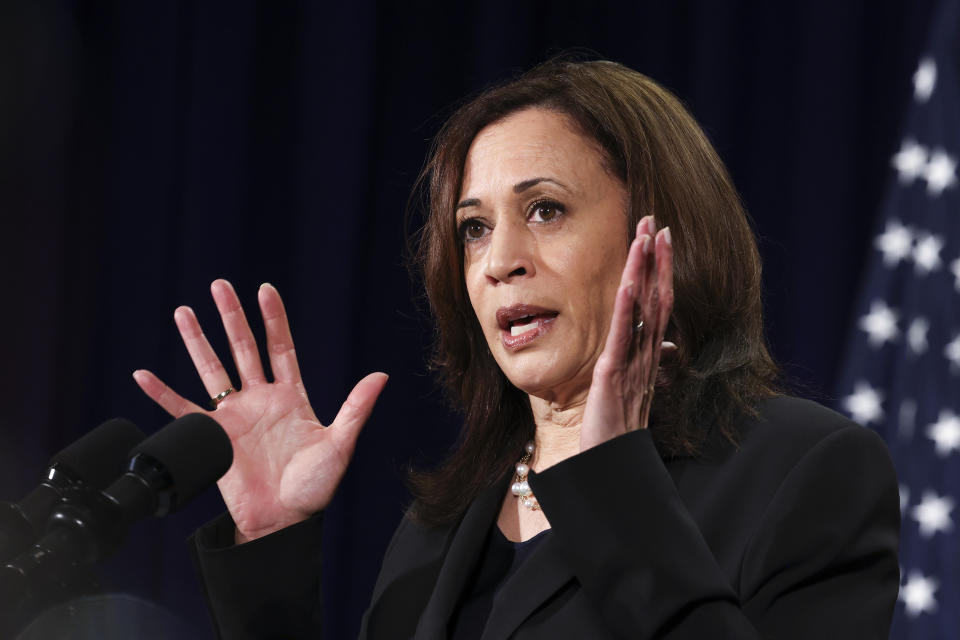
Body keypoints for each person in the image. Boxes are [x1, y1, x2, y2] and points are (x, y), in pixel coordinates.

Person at [134, 59, 900, 638]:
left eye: (544, 209)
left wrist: (614, 486)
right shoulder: (443, 524)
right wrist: (269, 551)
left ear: (661, 235)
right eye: (474, 227)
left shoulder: (804, 470)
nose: (500, 259)